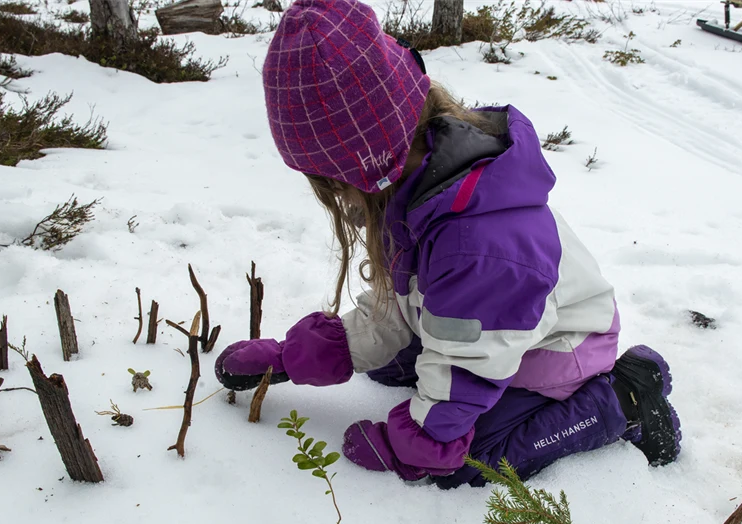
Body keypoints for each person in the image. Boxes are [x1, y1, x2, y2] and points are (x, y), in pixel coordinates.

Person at [214, 0, 681, 488]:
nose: (338, 198)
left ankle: (623, 402)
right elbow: (397, 304)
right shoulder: (418, 182)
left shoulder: (477, 249)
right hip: (487, 324)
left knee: (467, 456)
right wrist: (296, 356)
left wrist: (417, 444)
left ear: (362, 168)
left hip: (556, 350)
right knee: (393, 368)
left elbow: (469, 365)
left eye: (331, 182)